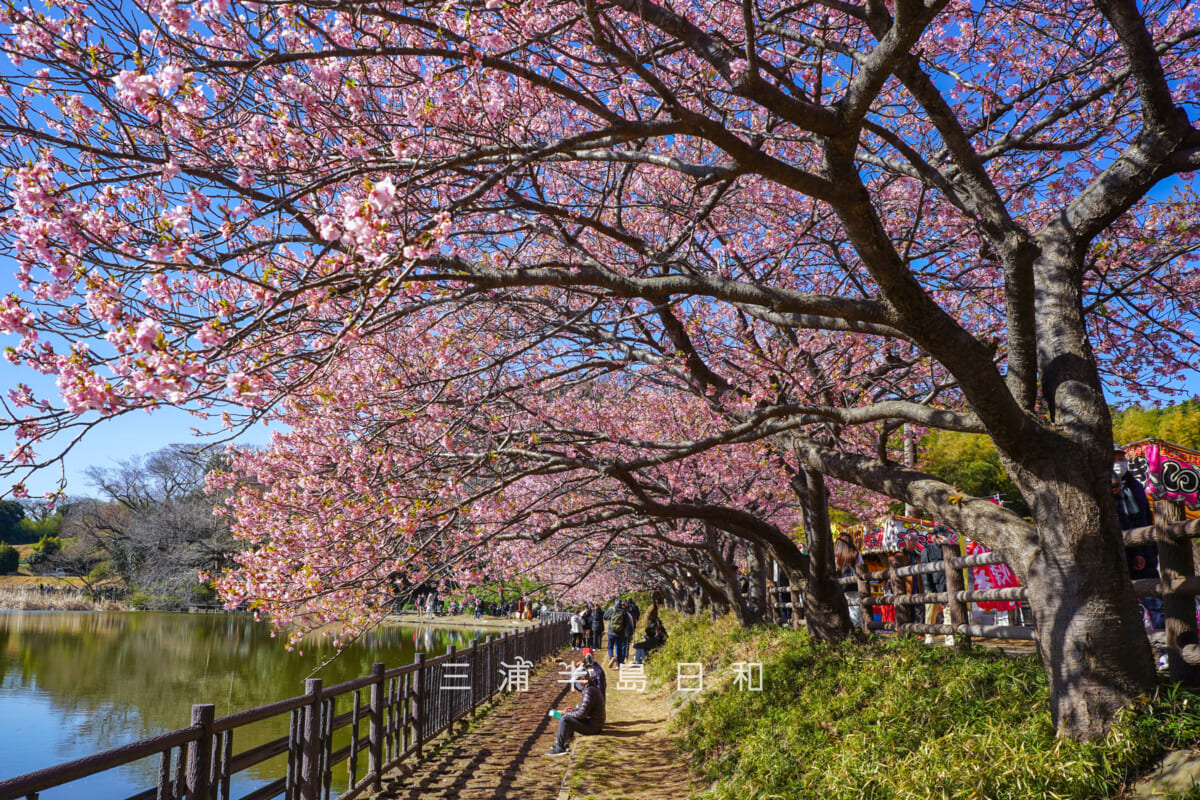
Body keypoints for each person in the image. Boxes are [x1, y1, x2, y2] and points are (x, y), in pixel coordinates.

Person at [1114, 444, 1164, 630]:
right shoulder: (1105, 489)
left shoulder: (1135, 486)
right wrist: (1134, 552)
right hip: (1123, 553)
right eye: (1114, 459)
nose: (1119, 463)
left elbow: (1145, 517)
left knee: (1156, 602)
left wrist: (1152, 549)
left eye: (1121, 458)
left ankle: (1166, 650)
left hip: (1146, 551)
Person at [547, 665, 606, 756]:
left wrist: (567, 713)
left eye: (577, 680)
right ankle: (566, 741)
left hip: (593, 727)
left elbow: (581, 714)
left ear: (583, 679)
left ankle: (560, 747)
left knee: (565, 718)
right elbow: (585, 709)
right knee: (565, 715)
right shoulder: (591, 689)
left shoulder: (589, 692)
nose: (576, 684)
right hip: (595, 723)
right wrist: (573, 710)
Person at [918, 527, 955, 646]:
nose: (946, 537)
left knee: (948, 611)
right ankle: (929, 635)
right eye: (943, 535)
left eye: (947, 535)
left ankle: (949, 636)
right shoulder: (928, 550)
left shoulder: (950, 548)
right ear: (936, 536)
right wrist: (927, 586)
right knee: (931, 612)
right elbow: (924, 569)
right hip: (933, 584)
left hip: (947, 583)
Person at [834, 533, 863, 629]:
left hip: (839, 589)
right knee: (856, 613)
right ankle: (857, 631)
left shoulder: (835, 555)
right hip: (855, 587)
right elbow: (862, 567)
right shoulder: (855, 553)